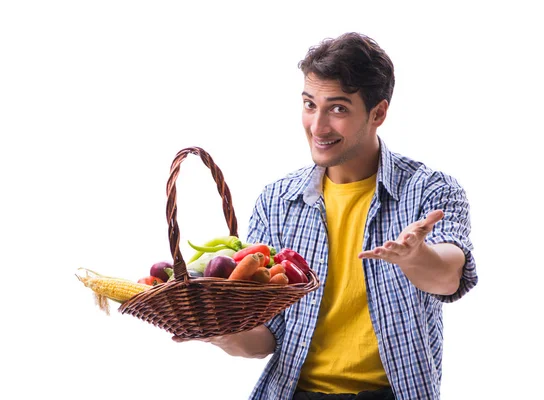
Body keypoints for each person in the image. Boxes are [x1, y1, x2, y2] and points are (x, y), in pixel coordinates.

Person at [175, 32, 478, 400]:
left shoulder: (430, 190)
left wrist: (416, 258)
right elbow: (265, 336)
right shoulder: (278, 201)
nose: (317, 127)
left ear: (378, 113)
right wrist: (220, 332)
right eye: (309, 105)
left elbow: (449, 276)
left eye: (338, 109)